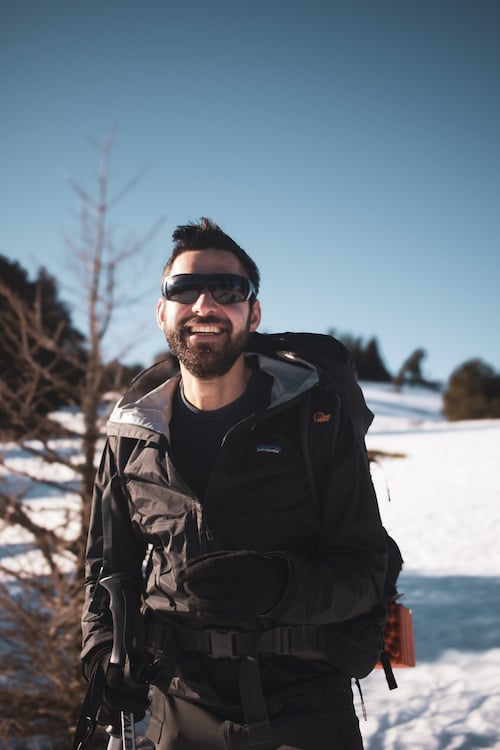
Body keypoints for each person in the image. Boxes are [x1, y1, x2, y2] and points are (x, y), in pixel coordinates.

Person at [81, 217, 388, 750]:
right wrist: (101, 653)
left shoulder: (313, 418)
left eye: (228, 290)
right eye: (184, 290)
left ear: (253, 312)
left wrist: (279, 586)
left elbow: (366, 572)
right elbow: (108, 568)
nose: (205, 305)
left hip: (305, 708)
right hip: (177, 709)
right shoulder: (133, 433)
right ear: (162, 312)